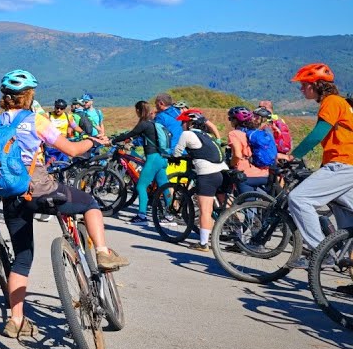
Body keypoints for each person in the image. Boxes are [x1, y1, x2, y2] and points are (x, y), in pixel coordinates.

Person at [0, 70, 127, 339]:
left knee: (22, 258)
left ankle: (16, 320)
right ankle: (101, 252)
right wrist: (93, 141)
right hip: (40, 189)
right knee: (89, 204)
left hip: (10, 196)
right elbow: (72, 150)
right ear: (29, 96)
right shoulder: (36, 120)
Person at [281, 63, 353, 258]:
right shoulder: (341, 103)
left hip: (343, 164)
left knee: (299, 199)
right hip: (345, 165)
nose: (301, 89)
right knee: (345, 213)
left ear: (316, 85)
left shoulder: (331, 101)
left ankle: (321, 253)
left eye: (304, 85)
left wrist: (293, 155)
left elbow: (318, 134)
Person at [171, 110, 229, 251]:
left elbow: (177, 152)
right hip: (222, 172)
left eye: (183, 123)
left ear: (189, 123)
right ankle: (238, 234)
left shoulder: (187, 134)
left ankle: (203, 243)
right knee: (226, 207)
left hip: (207, 174)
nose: (182, 125)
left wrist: (174, 157)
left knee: (205, 210)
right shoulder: (207, 135)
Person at [111, 100, 170, 224]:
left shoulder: (143, 124)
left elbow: (131, 134)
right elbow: (136, 137)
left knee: (141, 186)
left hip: (153, 158)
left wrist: (113, 141)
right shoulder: (153, 123)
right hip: (162, 158)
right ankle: (169, 215)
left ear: (138, 110)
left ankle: (142, 216)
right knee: (164, 186)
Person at [227, 106, 270, 191]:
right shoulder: (255, 132)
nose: (230, 121)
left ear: (235, 120)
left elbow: (237, 155)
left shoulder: (234, 134)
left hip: (246, 175)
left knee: (248, 203)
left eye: (230, 118)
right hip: (264, 173)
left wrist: (231, 164)